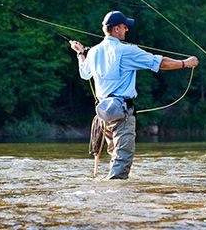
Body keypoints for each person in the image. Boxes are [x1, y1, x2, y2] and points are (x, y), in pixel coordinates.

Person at [70, 10, 198, 179]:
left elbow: (84, 73)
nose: (126, 30)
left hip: (105, 115)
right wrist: (185, 63)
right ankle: (115, 196)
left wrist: (80, 54)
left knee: (115, 155)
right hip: (122, 113)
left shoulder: (92, 52)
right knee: (123, 159)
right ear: (116, 29)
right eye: (124, 27)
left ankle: (108, 196)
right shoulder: (126, 51)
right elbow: (159, 63)